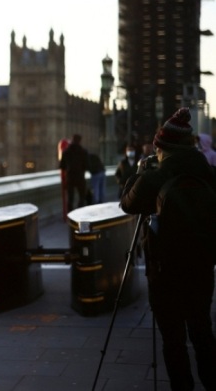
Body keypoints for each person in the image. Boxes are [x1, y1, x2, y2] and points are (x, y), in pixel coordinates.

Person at [120, 108, 216, 391]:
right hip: (202, 267)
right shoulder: (209, 173)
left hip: (165, 272)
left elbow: (128, 203)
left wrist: (138, 173)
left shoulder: (155, 177)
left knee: (173, 339)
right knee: (201, 331)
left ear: (163, 148)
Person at [59, 134, 89, 211]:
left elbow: (62, 166)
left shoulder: (66, 152)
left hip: (70, 177)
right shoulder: (84, 151)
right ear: (80, 141)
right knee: (82, 196)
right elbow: (86, 165)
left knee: (70, 198)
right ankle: (79, 212)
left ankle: (70, 215)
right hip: (80, 177)